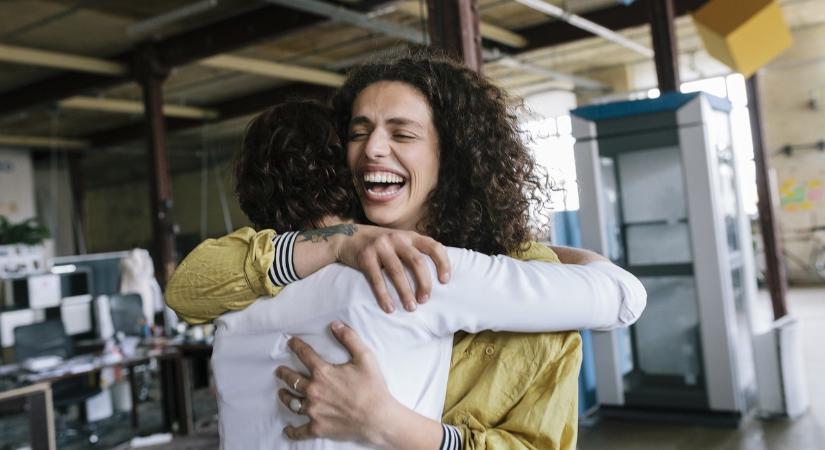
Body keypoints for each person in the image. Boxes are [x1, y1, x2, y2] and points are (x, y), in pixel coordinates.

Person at [166, 49, 646, 449]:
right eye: (358, 132)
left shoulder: (517, 280)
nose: (373, 148)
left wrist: (387, 423)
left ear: (453, 157)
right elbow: (187, 290)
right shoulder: (317, 256)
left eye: (402, 133)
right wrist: (341, 242)